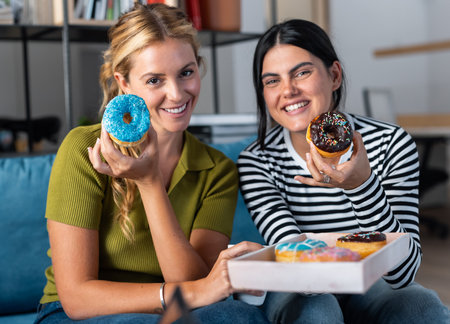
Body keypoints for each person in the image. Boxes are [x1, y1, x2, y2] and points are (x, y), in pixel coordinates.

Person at [34, 3, 269, 324]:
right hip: (78, 314)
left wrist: (150, 184)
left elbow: (199, 287)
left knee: (238, 317)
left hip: (179, 306)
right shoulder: (84, 149)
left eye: (186, 72)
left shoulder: (217, 170)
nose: (176, 94)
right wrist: (184, 296)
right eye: (155, 80)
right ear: (124, 84)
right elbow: (76, 298)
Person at [237, 19, 450, 324]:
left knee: (420, 305)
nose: (288, 90)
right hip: (301, 289)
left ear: (334, 75)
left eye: (302, 72)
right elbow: (300, 265)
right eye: (272, 81)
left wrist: (361, 185)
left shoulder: (390, 143)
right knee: (318, 310)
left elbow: (402, 273)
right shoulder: (257, 160)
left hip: (375, 285)